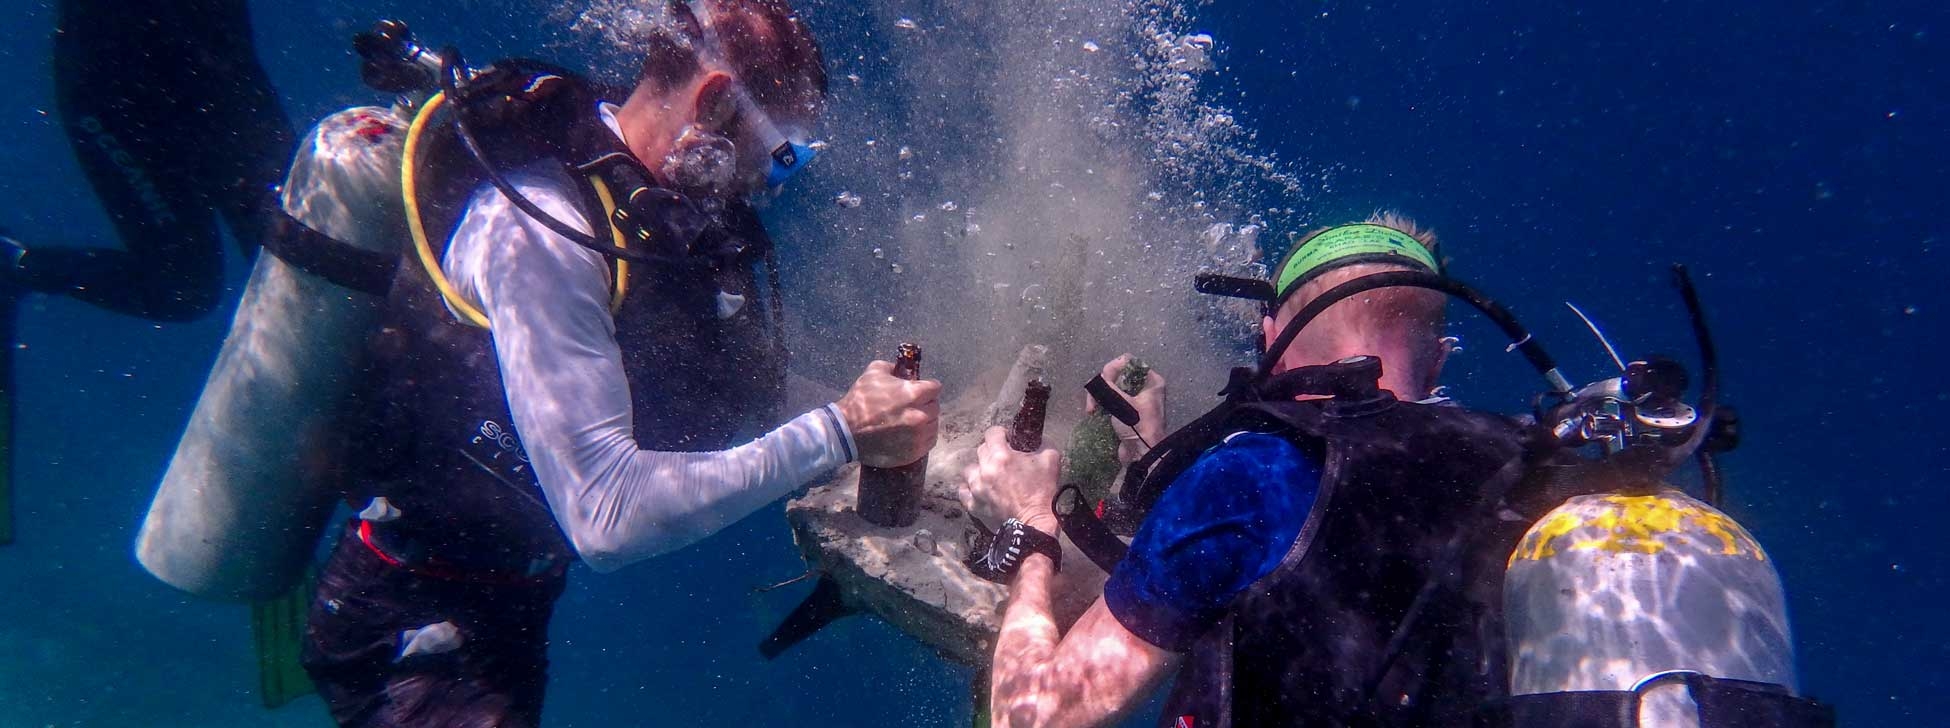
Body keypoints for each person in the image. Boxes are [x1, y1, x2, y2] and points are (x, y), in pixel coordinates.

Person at [294, 2, 941, 726]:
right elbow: (606, 515)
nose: (773, 181)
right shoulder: (544, 233)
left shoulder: (655, 205)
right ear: (717, 102)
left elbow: (732, 384)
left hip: (511, 595)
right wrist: (843, 431)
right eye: (786, 151)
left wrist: (879, 418)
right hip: (412, 613)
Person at [961, 213, 1530, 726]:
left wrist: (1032, 524)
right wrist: (1153, 456)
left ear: (1270, 343)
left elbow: (1032, 717)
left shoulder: (1252, 481)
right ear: (1438, 360)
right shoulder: (1529, 468)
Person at [5, 0, 293, 319]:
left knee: (291, 228)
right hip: (118, 104)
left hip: (215, 74)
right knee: (186, 285)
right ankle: (14, 264)